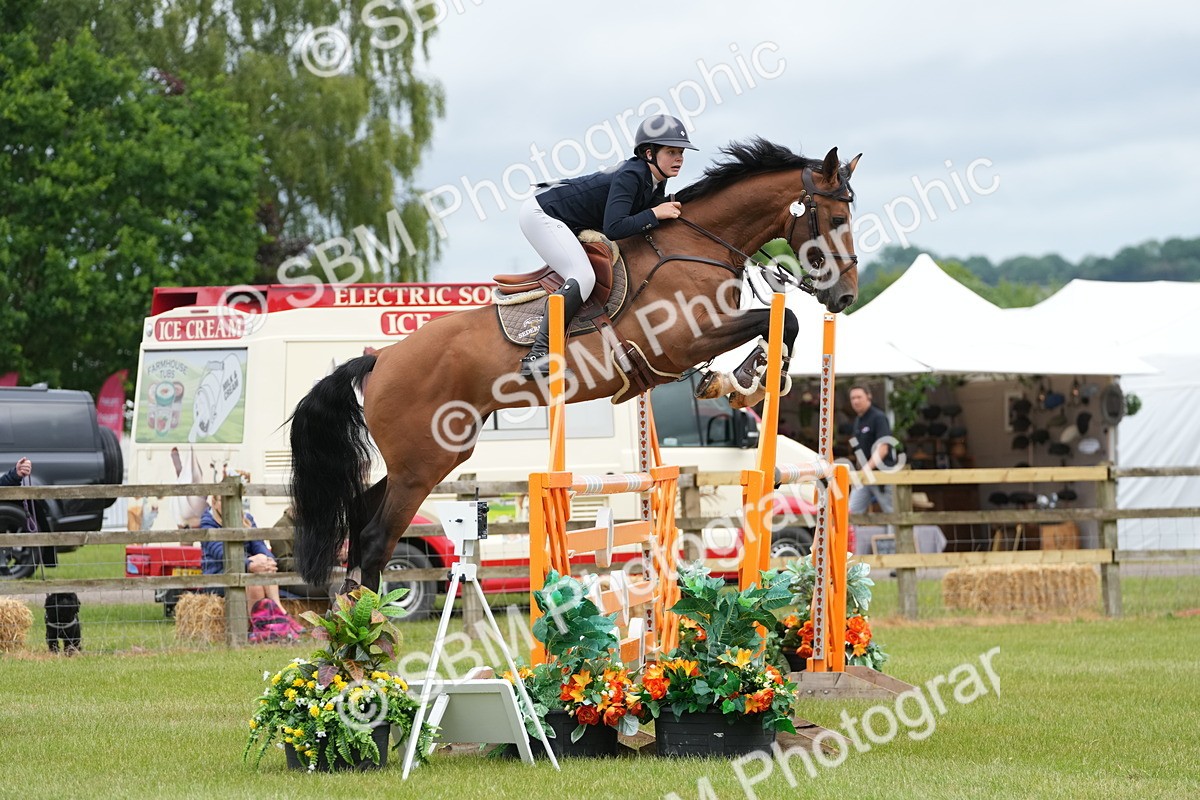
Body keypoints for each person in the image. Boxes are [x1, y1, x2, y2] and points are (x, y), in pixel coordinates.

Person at [516, 114, 697, 378]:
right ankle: (538, 355)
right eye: (671, 152)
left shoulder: (656, 179)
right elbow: (614, 228)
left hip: (566, 219)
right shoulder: (632, 174)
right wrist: (655, 214)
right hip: (542, 214)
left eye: (681, 152)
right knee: (583, 276)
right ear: (649, 153)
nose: (679, 158)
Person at [199, 495, 302, 639]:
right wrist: (249, 563)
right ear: (214, 503)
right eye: (224, 500)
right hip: (220, 574)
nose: (230, 504)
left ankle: (277, 618)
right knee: (255, 584)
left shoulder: (247, 518)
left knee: (264, 569)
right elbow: (221, 553)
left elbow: (259, 544)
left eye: (234, 500)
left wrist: (268, 560)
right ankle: (262, 627)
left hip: (247, 569)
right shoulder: (208, 524)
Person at [847, 385, 896, 517]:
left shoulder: (878, 417)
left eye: (859, 397)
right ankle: (850, 532)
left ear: (869, 397)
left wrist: (866, 469)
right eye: (853, 398)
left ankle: (897, 532)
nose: (856, 401)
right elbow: (858, 450)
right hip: (864, 477)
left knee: (892, 514)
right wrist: (859, 472)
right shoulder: (858, 420)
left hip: (882, 475)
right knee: (850, 513)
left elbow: (883, 448)